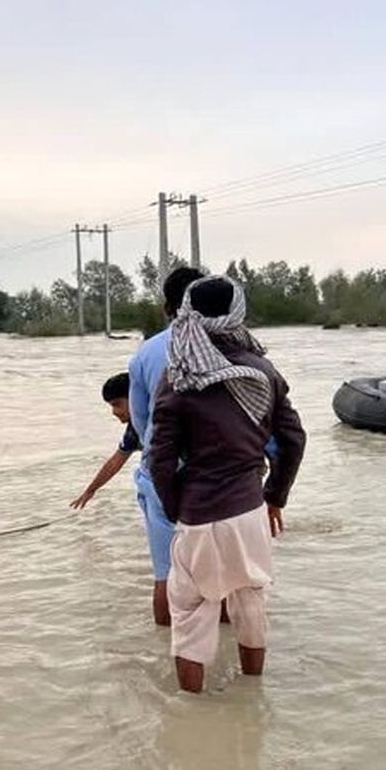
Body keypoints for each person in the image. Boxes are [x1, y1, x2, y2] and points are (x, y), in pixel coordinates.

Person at [149, 275, 306, 694]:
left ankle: (191, 713)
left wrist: (173, 506)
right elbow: (293, 439)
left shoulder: (178, 376)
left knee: (191, 614)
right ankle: (252, 694)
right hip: (250, 509)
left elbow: (159, 456)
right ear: (238, 312)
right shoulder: (265, 371)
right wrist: (275, 497)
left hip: (198, 513)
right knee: (251, 600)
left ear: (187, 312)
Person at [127, 267, 205, 626]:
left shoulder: (147, 352)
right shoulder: (232, 346)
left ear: (166, 307)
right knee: (224, 580)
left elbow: (141, 421)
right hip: (220, 476)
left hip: (163, 472)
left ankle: (165, 657)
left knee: (166, 574)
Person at [70, 373, 140, 510]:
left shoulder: (160, 420)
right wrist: (91, 490)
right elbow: (116, 461)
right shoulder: (135, 429)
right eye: (111, 406)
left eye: (117, 404)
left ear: (135, 398)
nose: (114, 412)